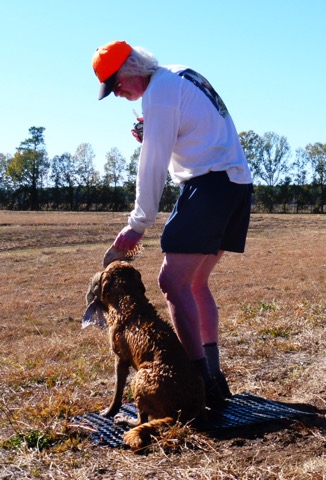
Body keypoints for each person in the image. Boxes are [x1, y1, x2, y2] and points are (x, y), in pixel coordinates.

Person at [92, 40, 253, 406]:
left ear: (130, 70)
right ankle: (214, 376)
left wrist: (138, 223)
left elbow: (152, 164)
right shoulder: (177, 75)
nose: (118, 95)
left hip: (209, 184)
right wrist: (154, 129)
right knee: (195, 283)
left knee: (171, 282)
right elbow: (198, 126)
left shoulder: (159, 94)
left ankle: (200, 384)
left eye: (116, 85)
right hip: (234, 183)